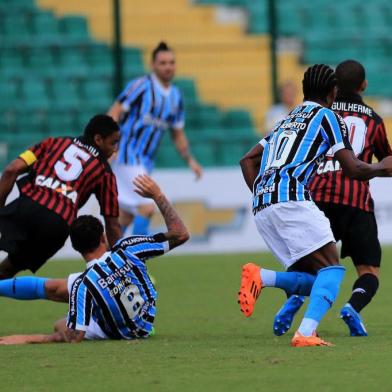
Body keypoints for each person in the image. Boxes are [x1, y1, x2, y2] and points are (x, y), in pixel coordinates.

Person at [237, 64, 392, 347]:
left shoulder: (289, 117)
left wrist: (263, 192)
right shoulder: (326, 116)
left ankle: (261, 276)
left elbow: (247, 160)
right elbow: (352, 169)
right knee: (333, 270)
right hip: (292, 198)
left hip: (263, 206)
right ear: (333, 92)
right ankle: (306, 333)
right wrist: (381, 166)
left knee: (313, 278)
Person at [0, 175, 189, 344]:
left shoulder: (83, 285)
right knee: (65, 290)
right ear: (103, 238)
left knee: (60, 319)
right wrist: (158, 195)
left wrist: (28, 338)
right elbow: (181, 234)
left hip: (120, 332)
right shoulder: (129, 248)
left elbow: (75, 336)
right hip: (146, 321)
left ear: (75, 248)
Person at [0, 114, 121, 279]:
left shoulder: (53, 143)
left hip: (28, 205)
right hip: (56, 225)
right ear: (98, 139)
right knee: (7, 270)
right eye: (113, 143)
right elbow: (112, 224)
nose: (115, 149)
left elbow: (11, 170)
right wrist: (120, 265)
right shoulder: (105, 172)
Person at [108, 41, 202, 237]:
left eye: (171, 62)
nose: (168, 66)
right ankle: (137, 259)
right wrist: (112, 146)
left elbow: (177, 133)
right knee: (147, 207)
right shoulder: (141, 86)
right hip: (127, 155)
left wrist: (190, 160)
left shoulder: (176, 96)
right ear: (153, 65)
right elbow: (115, 111)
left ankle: (108, 258)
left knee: (125, 217)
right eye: (163, 63)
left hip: (145, 161)